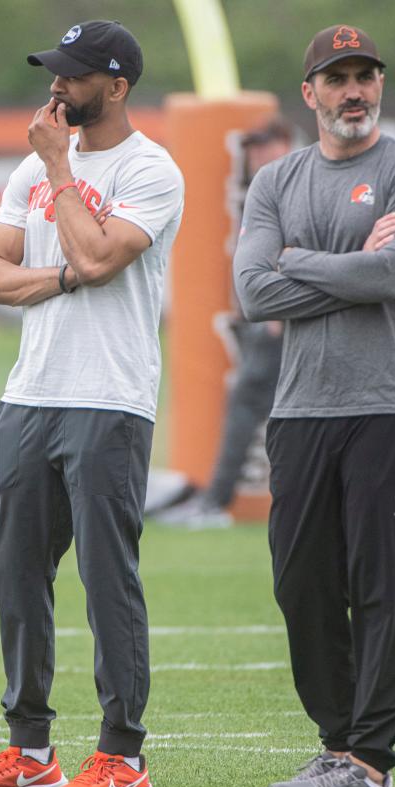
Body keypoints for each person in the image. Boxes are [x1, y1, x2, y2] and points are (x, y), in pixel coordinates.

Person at [0, 20, 183, 787]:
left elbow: (96, 253)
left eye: (74, 76)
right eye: (55, 72)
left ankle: (123, 758)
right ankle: (32, 751)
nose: (57, 86)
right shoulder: (31, 169)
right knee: (17, 578)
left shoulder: (152, 170)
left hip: (108, 400)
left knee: (108, 580)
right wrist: (67, 279)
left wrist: (60, 174)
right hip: (27, 398)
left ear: (116, 87)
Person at [233, 25, 395, 787]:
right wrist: (350, 270)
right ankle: (334, 746)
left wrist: (298, 261)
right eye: (338, 78)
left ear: (379, 85)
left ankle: (370, 762)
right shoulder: (276, 183)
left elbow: (394, 270)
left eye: (365, 76)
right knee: (301, 583)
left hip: (388, 404)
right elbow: (253, 294)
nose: (354, 90)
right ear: (310, 94)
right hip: (300, 411)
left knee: (380, 580)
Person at [155, 119, 293, 529]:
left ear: (285, 144)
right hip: (264, 320)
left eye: (265, 147)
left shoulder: (290, 184)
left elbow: (294, 246)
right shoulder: (267, 187)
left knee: (251, 410)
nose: (257, 156)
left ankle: (215, 501)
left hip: (276, 323)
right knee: (274, 415)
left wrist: (279, 312)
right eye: (253, 149)